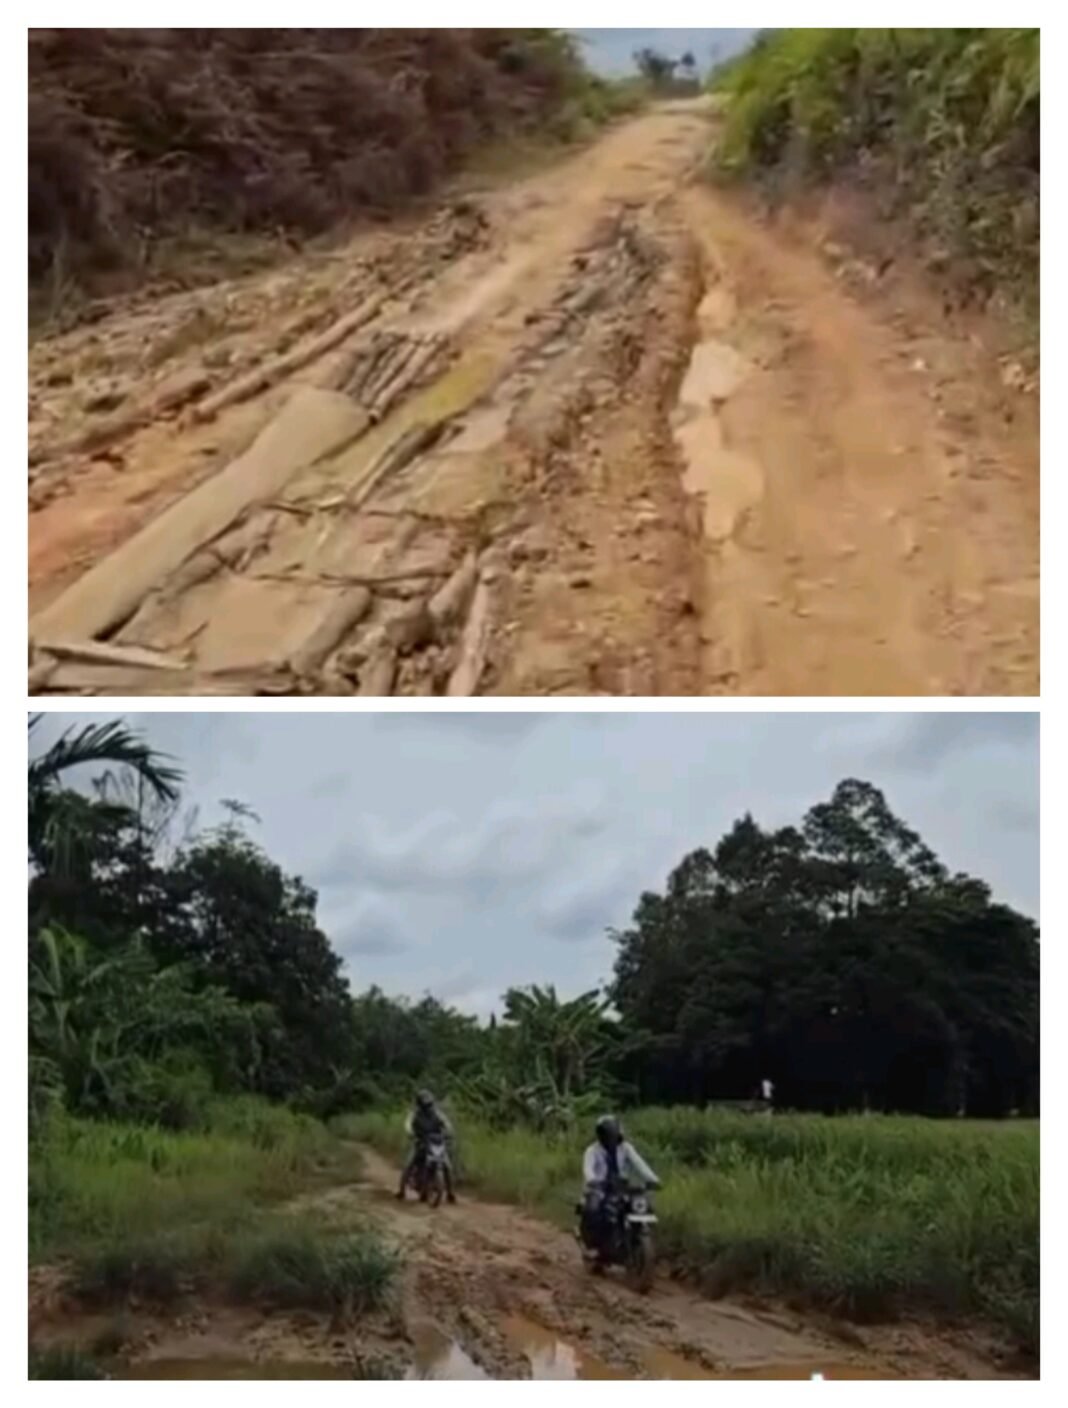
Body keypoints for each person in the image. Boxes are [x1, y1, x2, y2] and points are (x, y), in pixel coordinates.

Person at [580, 1114, 659, 1254]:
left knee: (642, 1205)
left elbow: (639, 1164)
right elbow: (588, 1169)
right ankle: (593, 1245)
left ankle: (632, 1237)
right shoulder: (592, 1151)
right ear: (601, 1135)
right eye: (609, 1134)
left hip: (620, 1186)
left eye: (614, 1133)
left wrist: (652, 1179)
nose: (612, 1138)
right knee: (594, 1210)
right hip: (599, 1187)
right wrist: (593, 1180)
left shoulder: (625, 1148)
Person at [397, 1089, 456, 1202]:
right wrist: (410, 1133)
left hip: (436, 1142)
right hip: (420, 1142)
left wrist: (449, 1132)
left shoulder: (437, 1113)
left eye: (429, 1104)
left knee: (447, 1166)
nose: (428, 1107)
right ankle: (401, 1190)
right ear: (419, 1104)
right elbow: (408, 1124)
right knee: (408, 1165)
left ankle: (450, 1193)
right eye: (425, 1104)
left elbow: (447, 1123)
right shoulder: (414, 1114)